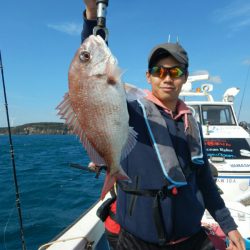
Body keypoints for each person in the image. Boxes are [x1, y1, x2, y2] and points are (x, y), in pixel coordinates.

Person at [81, 1, 246, 249]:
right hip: (137, 241)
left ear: (184, 77)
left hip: (190, 239)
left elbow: (204, 180)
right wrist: (93, 17)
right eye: (159, 70)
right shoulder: (131, 112)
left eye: (175, 71)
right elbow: (93, 73)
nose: (167, 77)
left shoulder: (192, 123)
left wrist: (228, 225)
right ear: (149, 76)